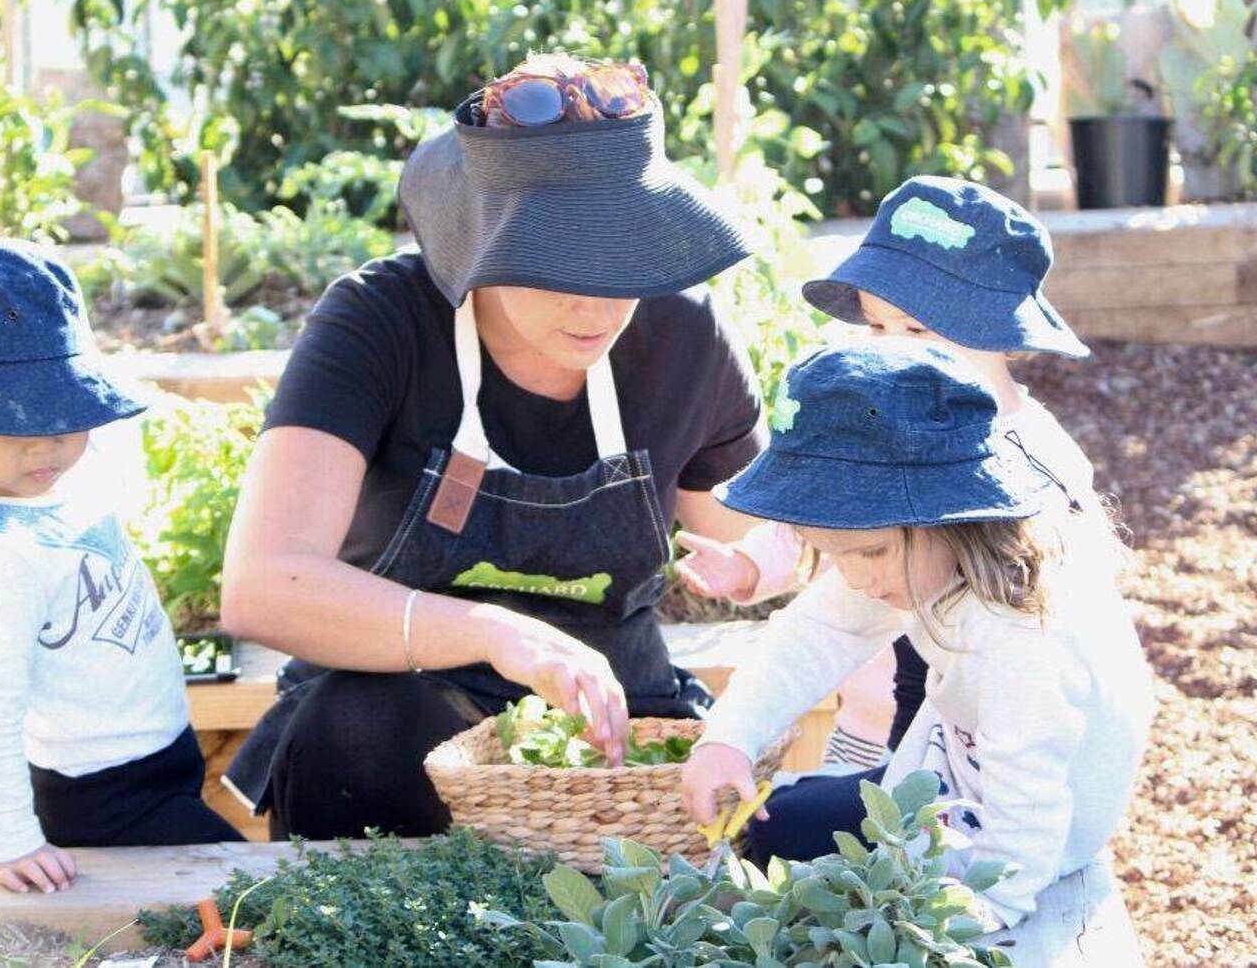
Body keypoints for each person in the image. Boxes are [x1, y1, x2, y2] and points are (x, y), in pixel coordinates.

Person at [220, 54, 771, 838]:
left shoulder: (684, 337)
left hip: (612, 723)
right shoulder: (380, 325)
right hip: (397, 717)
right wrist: (500, 635)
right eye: (552, 267)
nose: (592, 304)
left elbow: (770, 544)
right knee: (359, 729)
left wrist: (798, 565)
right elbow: (263, 584)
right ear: (481, 236)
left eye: (620, 265)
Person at [681, 341, 1153, 966]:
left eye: (868, 555)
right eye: (836, 554)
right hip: (951, 780)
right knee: (775, 825)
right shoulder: (928, 555)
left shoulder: (1022, 635)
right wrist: (728, 739)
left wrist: (945, 925)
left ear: (949, 513)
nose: (854, 580)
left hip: (1025, 840)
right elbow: (816, 631)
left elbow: (1026, 824)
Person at [675, 176, 1104, 768]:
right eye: (878, 327)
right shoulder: (875, 421)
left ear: (1002, 334)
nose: (893, 348)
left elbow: (1068, 613)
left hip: (996, 730)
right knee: (857, 826)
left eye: (918, 330)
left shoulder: (1034, 454)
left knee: (947, 827)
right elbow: (808, 527)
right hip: (877, 694)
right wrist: (749, 564)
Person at [0, 236, 241, 894]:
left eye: (64, 419)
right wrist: (8, 842)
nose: (46, 446)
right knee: (249, 890)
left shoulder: (38, 482)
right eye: (14, 424)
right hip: (102, 795)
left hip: (155, 754)